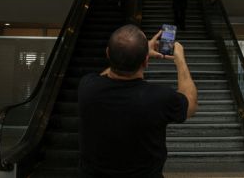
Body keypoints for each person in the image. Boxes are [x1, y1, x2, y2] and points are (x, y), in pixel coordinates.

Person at [78, 25, 198, 177]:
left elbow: (106, 75)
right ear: (146, 61)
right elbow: (191, 104)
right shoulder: (160, 98)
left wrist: (137, 53)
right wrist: (180, 60)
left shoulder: (87, 88)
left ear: (107, 53)